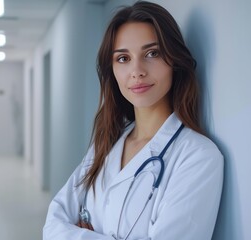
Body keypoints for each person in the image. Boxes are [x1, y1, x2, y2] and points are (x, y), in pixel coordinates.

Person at [43, 1, 223, 239]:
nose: (137, 71)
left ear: (174, 61)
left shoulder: (198, 157)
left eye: (152, 53)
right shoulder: (106, 142)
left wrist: (79, 233)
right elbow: (53, 224)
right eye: (123, 58)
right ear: (113, 71)